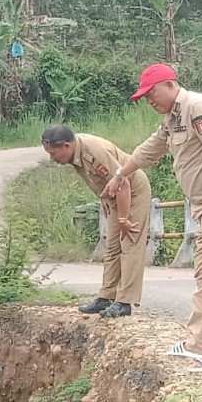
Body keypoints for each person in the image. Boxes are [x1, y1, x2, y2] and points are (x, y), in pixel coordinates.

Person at [103, 64, 202, 372]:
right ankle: (198, 343)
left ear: (169, 85)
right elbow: (149, 150)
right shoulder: (172, 119)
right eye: (144, 97)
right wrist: (120, 174)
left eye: (151, 94)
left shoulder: (197, 107)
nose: (149, 101)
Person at [41, 124, 152, 318]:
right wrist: (103, 197)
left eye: (53, 153)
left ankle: (125, 302)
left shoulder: (94, 151)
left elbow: (123, 181)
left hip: (132, 191)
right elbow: (97, 178)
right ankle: (106, 297)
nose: (52, 158)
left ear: (67, 146)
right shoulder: (75, 154)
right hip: (114, 194)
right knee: (112, 246)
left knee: (130, 243)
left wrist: (124, 219)